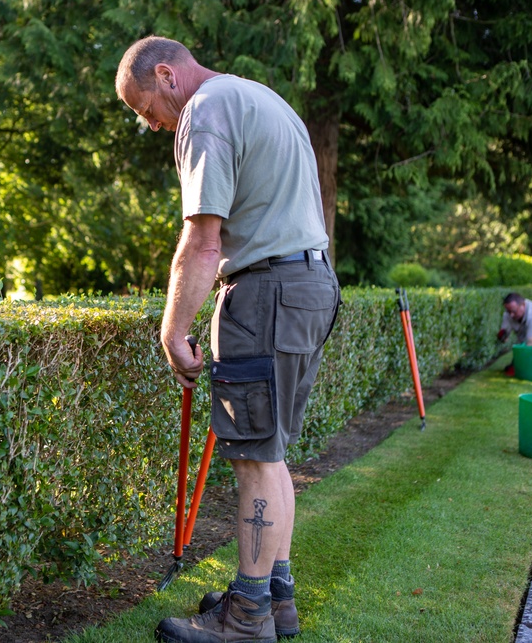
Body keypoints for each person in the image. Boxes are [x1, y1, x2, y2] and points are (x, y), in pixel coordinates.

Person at [115, 36, 341, 643]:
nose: (154, 125)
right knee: (272, 454)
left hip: (266, 294)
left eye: (146, 110)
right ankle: (273, 598)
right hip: (311, 284)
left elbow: (203, 241)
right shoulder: (257, 96)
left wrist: (173, 330)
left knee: (253, 460)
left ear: (166, 75)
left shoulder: (204, 110)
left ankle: (244, 621)